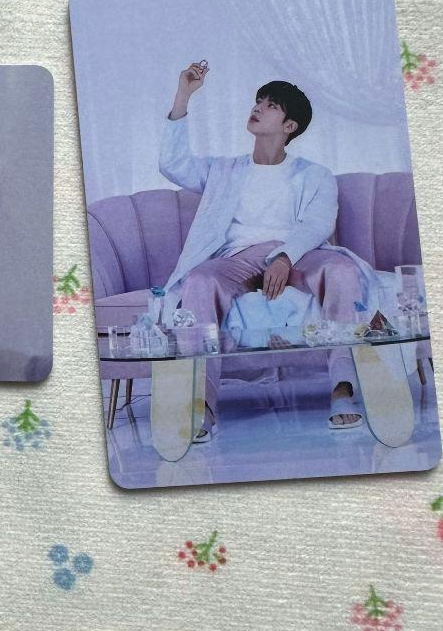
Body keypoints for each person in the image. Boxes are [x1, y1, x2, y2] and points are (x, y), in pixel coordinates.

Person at [159, 59, 383, 447]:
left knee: (342, 271)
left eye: (271, 105)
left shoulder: (314, 174)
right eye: (259, 100)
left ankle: (342, 389)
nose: (258, 107)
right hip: (236, 258)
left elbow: (317, 223)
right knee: (198, 280)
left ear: (289, 126)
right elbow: (171, 164)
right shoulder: (224, 170)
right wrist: (184, 95)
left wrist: (284, 256)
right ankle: (202, 404)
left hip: (300, 254)